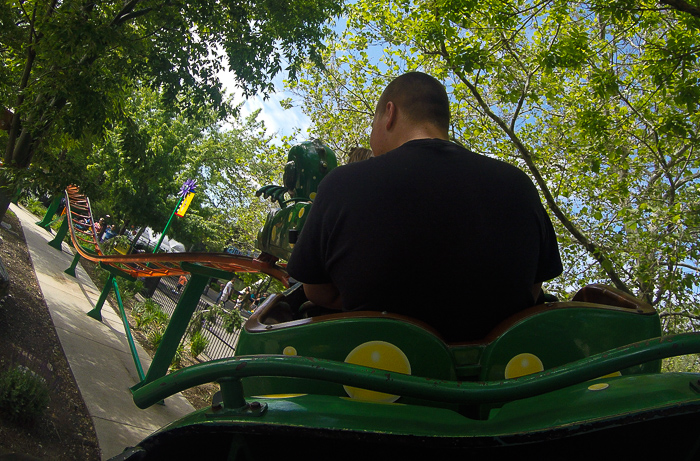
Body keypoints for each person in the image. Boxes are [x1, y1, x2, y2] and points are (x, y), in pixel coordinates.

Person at [286, 71, 563, 343]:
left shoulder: (341, 184)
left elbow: (315, 290)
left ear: (389, 114)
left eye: (373, 123)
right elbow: (534, 288)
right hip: (501, 378)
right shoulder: (518, 185)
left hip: (376, 374)